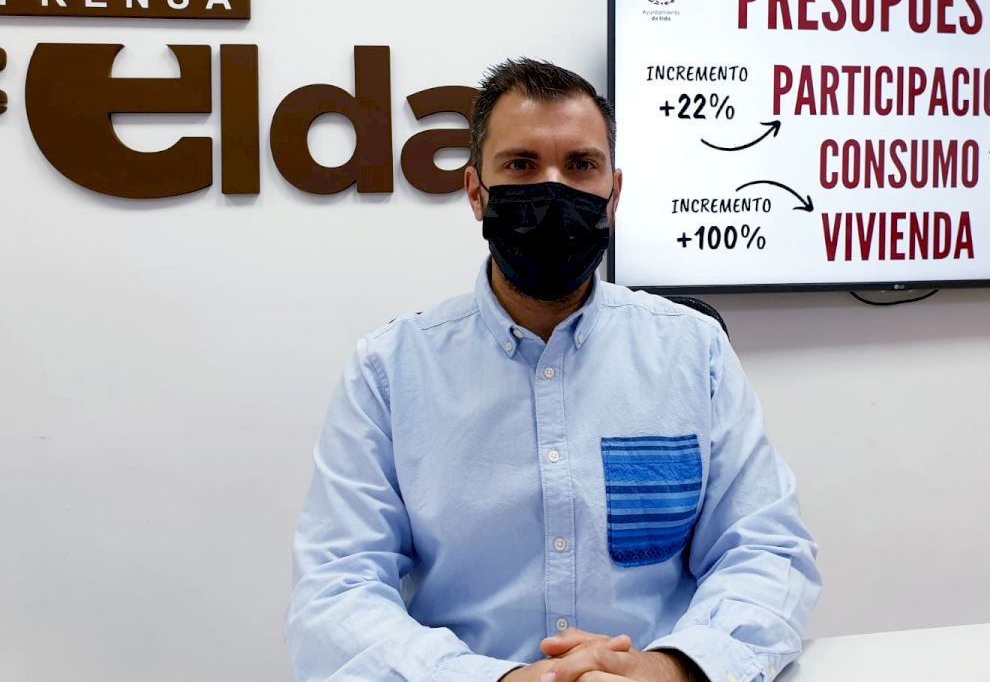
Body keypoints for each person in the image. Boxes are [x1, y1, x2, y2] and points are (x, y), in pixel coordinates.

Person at [285, 58, 821, 682]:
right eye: (520, 165)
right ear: (475, 193)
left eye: (580, 165)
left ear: (613, 193)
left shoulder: (692, 352)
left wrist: (672, 669)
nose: (552, 189)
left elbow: (767, 550)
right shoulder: (389, 371)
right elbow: (337, 591)